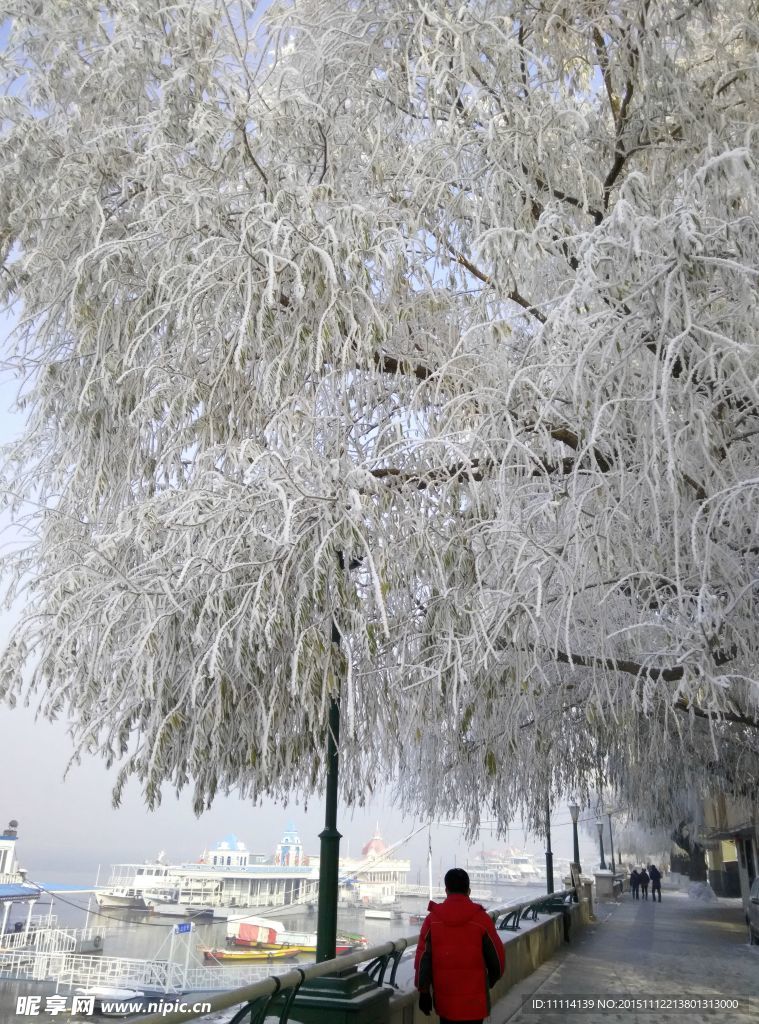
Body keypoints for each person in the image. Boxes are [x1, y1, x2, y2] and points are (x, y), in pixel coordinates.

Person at [415, 867, 505, 1024]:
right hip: (475, 1005)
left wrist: (423, 992)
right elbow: (498, 960)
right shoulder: (482, 920)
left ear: (446, 890)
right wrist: (487, 982)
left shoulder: (432, 920)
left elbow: (423, 959)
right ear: (469, 891)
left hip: (446, 1004)